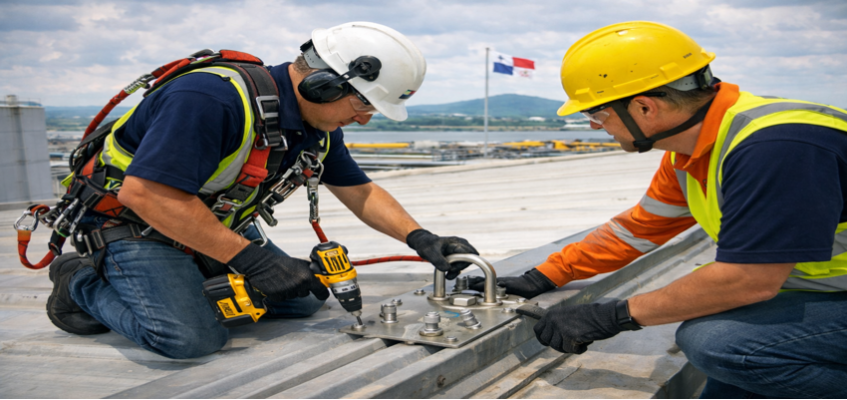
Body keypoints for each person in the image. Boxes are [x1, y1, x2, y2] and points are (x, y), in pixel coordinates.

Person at [46, 21, 478, 359]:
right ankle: (78, 280)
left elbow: (359, 191)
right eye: (364, 103)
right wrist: (251, 260)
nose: (366, 118)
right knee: (189, 339)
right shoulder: (210, 99)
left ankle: (189, 278)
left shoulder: (317, 127)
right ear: (323, 83)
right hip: (132, 224)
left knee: (304, 298)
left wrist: (420, 237)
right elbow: (147, 195)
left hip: (203, 222)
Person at [472, 21, 847, 398]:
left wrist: (614, 315)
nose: (595, 125)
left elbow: (748, 280)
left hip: (829, 297)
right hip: (818, 293)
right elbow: (639, 229)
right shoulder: (692, 150)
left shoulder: (777, 148)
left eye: (598, 114)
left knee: (716, 342)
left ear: (644, 107)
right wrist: (543, 276)